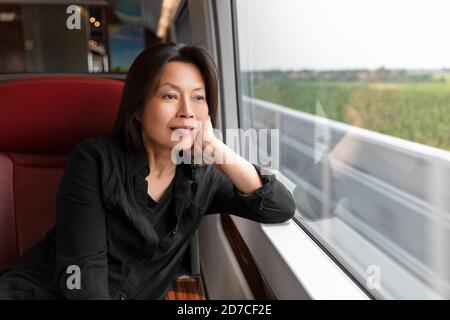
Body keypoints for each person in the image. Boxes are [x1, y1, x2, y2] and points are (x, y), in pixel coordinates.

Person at [0, 42, 296, 300]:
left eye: (198, 97)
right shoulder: (94, 159)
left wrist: (216, 149)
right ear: (138, 108)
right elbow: (84, 280)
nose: (187, 111)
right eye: (170, 96)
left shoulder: (203, 178)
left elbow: (278, 207)